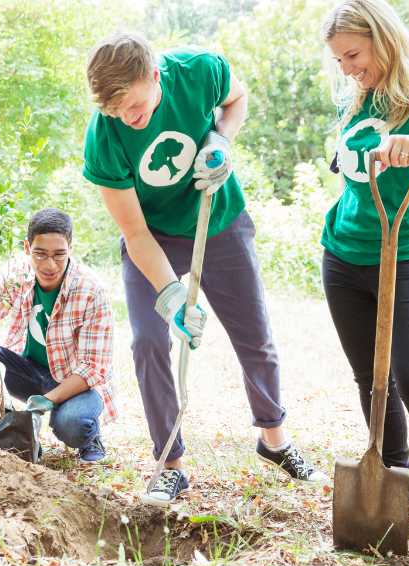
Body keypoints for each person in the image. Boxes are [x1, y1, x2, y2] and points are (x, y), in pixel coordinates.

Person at [82, 32, 327, 505]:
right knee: (148, 342)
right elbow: (135, 234)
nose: (128, 120)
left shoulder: (198, 71)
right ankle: (170, 463)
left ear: (154, 76)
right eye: (117, 114)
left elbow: (238, 98)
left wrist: (222, 138)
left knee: (254, 334)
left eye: (134, 106)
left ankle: (273, 439)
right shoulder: (104, 137)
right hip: (153, 236)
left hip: (218, 219)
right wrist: (171, 295)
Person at [321, 0, 409, 543]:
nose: (347, 67)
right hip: (343, 255)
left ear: (383, 40)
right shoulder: (354, 95)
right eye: (338, 59)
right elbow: (346, 165)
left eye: (353, 54)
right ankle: (389, 481)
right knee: (372, 380)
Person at [0, 208, 115, 463]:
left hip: (75, 383)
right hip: (28, 371)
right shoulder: (16, 274)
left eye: (59, 255)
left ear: (70, 249)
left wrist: (47, 400)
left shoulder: (91, 291)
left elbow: (93, 369)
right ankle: (8, 433)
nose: (49, 265)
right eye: (40, 254)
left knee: (71, 425)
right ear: (27, 247)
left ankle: (90, 435)